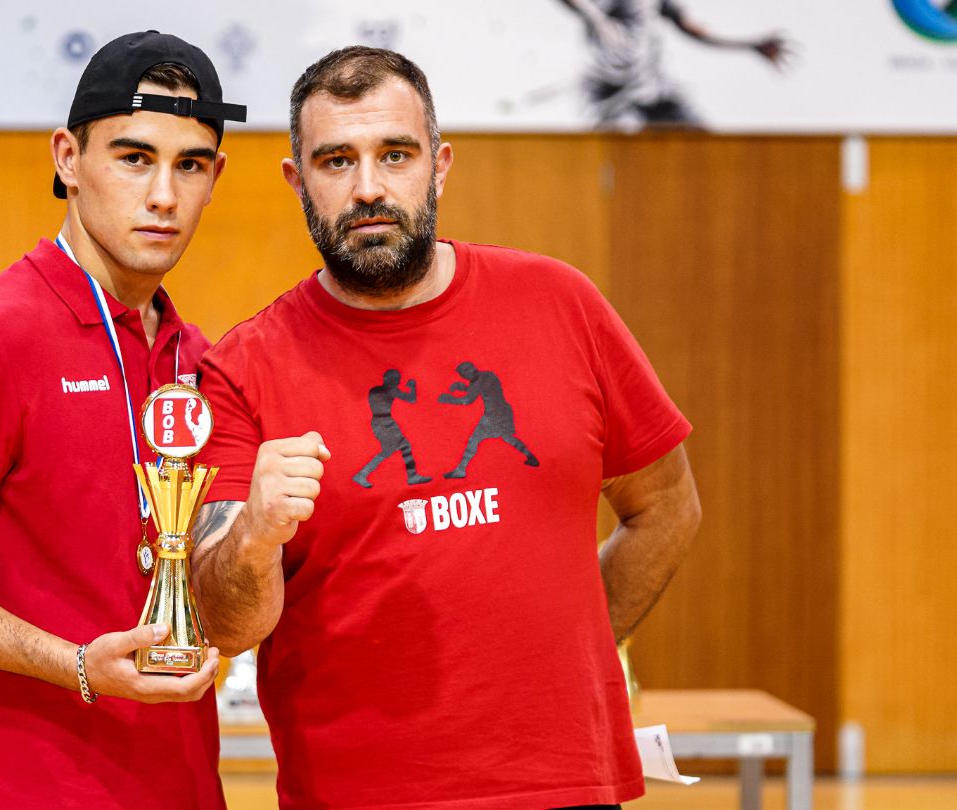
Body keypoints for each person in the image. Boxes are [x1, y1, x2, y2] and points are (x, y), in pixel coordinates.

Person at [189, 46, 701, 809]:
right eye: (336, 161)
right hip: (357, 796)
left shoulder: (561, 305)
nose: (368, 187)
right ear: (298, 182)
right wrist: (255, 536)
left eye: (395, 155)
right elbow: (223, 625)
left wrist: (565, 653)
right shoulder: (241, 369)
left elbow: (666, 506)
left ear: (439, 165)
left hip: (564, 785)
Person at [0, 31, 244, 808]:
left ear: (215, 177)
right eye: (134, 158)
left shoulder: (195, 360)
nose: (164, 195)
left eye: (190, 165)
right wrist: (75, 666)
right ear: (68, 158)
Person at [556, 0, 794, 127]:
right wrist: (597, 19)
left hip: (652, 88)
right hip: (612, 90)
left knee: (696, 134)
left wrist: (749, 44)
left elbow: (695, 31)